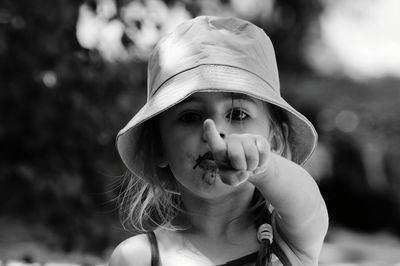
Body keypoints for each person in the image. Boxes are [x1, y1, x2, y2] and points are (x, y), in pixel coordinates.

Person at [109, 16, 328, 266]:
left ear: (275, 140)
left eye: (237, 114)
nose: (215, 131)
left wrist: (262, 165)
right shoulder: (139, 257)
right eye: (190, 116)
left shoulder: (288, 239)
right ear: (158, 146)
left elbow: (307, 201)